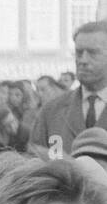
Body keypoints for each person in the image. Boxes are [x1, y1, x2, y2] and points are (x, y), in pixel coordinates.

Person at [30, 21, 107, 160]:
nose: (83, 60)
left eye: (93, 53)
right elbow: (34, 165)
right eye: (79, 53)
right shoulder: (51, 112)